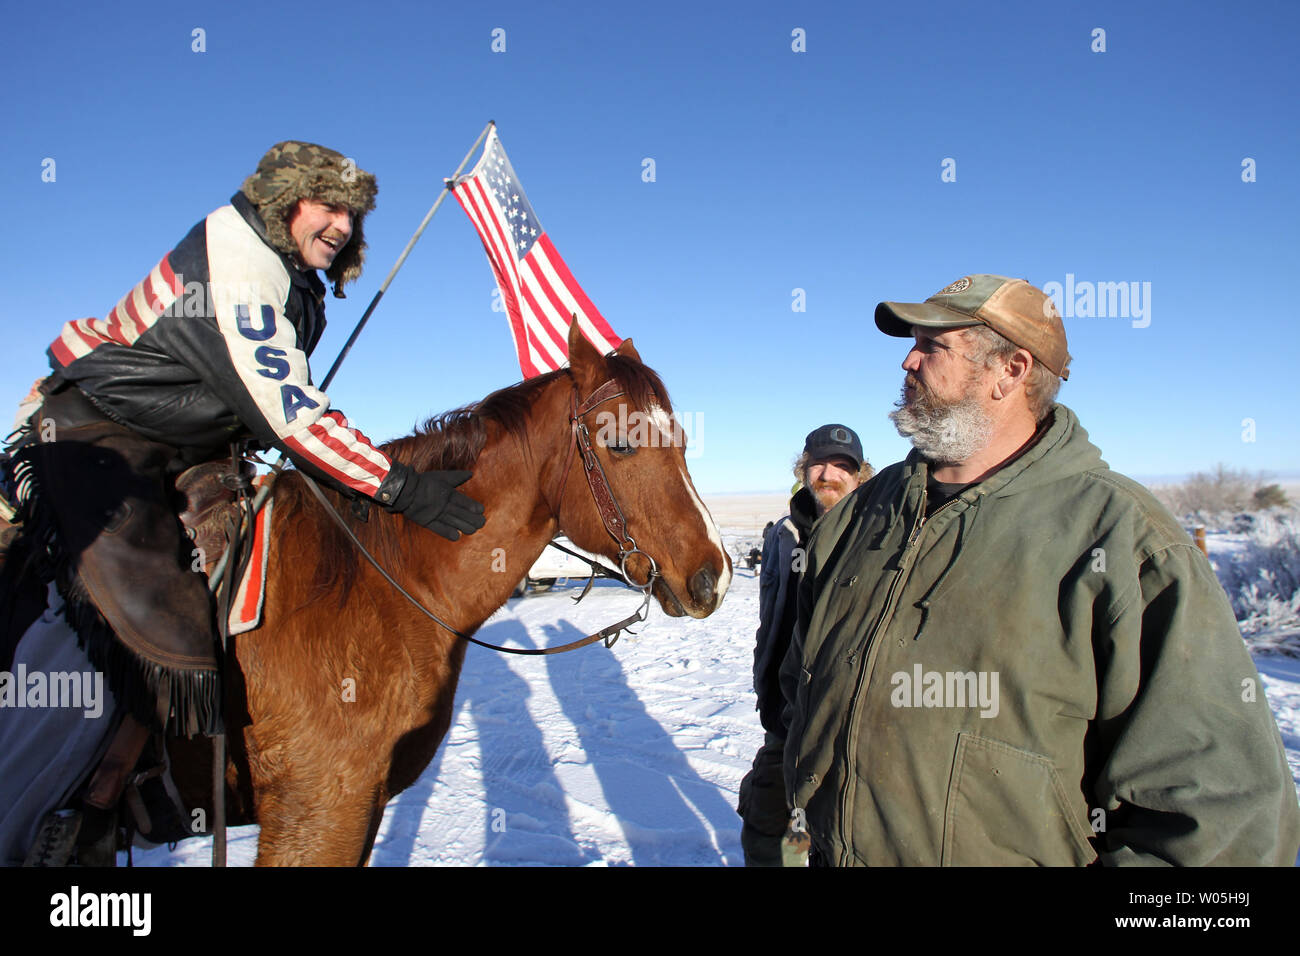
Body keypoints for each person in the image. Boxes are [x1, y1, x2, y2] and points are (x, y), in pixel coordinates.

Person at [1, 142, 486, 863]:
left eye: (352, 214)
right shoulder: (237, 260)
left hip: (190, 447)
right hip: (99, 429)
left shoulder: (297, 277)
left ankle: (159, 768)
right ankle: (85, 803)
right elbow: (291, 413)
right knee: (148, 599)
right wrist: (399, 486)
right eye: (329, 207)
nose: (343, 226)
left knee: (237, 569)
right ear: (286, 201)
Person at [779, 274, 1300, 866]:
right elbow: (800, 691)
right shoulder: (859, 518)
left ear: (1013, 369)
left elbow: (1220, 825)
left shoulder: (1124, 540)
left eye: (932, 345)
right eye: (912, 343)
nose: (907, 360)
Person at [737, 424, 871, 866]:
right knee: (767, 836)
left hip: (849, 731)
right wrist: (767, 690)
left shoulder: (877, 537)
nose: (829, 474)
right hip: (784, 720)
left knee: (842, 844)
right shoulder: (783, 536)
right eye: (819, 463)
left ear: (860, 475)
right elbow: (770, 622)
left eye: (843, 466)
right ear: (804, 468)